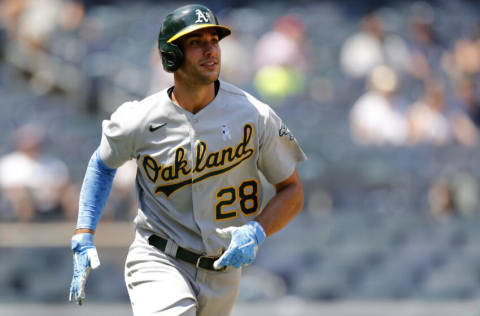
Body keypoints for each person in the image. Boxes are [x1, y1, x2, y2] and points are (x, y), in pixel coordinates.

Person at [68, 4, 307, 316]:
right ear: (171, 55)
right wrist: (84, 232)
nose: (210, 51)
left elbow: (292, 189)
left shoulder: (255, 115)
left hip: (223, 270)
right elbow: (102, 164)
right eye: (196, 43)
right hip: (159, 258)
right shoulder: (140, 118)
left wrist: (257, 231)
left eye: (214, 41)